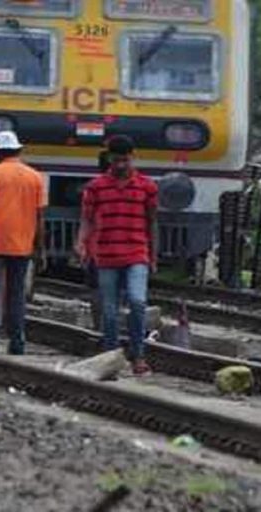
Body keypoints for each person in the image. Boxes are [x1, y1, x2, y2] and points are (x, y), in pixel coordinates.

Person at [76, 135, 158, 375]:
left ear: (132, 157)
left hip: (137, 253)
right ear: (109, 158)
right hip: (106, 255)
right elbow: (87, 219)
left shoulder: (147, 187)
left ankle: (138, 354)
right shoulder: (95, 187)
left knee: (137, 301)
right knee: (109, 311)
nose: (121, 165)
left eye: (125, 160)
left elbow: (152, 222)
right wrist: (81, 243)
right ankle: (111, 356)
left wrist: (153, 256)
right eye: (117, 160)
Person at [0, 131, 46, 355]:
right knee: (16, 291)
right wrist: (40, 248)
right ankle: (17, 338)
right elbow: (40, 216)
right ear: (18, 151)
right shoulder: (35, 177)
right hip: (22, 244)